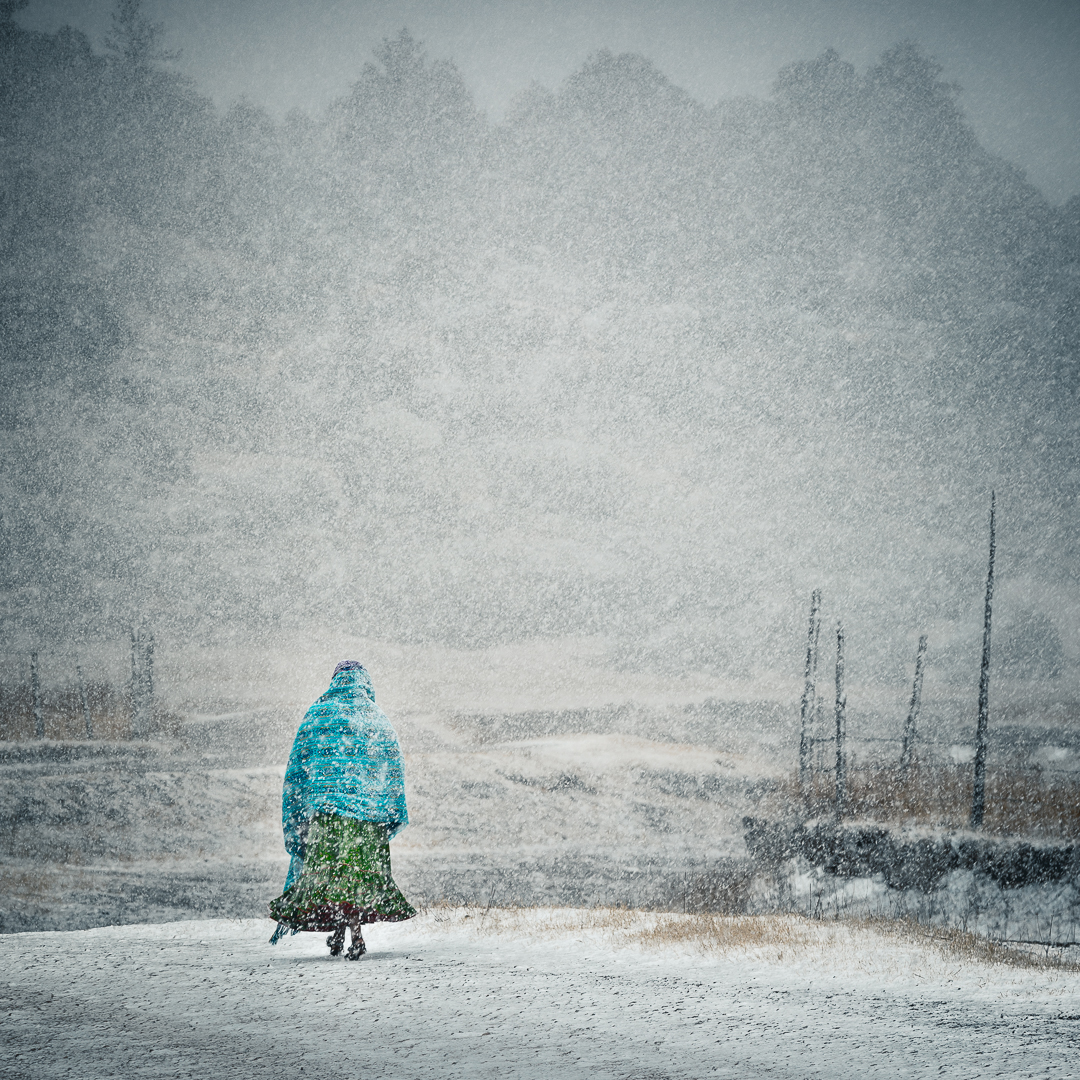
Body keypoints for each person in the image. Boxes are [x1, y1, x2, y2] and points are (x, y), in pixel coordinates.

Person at [268, 661, 415, 958]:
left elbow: (297, 768)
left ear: (335, 681)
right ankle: (353, 938)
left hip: (327, 819)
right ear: (365, 683)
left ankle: (341, 936)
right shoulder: (376, 718)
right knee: (356, 879)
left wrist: (304, 808)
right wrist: (385, 806)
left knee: (333, 878)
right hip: (367, 822)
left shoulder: (317, 715)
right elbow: (393, 766)